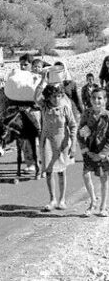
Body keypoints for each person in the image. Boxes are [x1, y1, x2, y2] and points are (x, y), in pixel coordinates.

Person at [34, 78, 77, 212]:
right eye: (54, 96)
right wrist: (42, 80)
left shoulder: (65, 108)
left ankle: (62, 199)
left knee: (61, 172)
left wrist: (73, 145)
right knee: (48, 172)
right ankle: (52, 199)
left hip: (62, 142)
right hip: (47, 142)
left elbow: (73, 126)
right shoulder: (44, 107)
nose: (57, 98)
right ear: (48, 97)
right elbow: (36, 97)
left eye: (59, 95)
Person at [77, 88, 109, 217]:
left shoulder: (107, 116)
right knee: (85, 174)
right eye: (94, 98)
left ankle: (103, 206)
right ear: (90, 99)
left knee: (104, 178)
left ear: (105, 100)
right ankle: (93, 201)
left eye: (100, 98)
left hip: (103, 151)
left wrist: (103, 153)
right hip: (89, 150)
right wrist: (85, 150)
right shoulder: (86, 114)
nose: (96, 101)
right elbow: (80, 133)